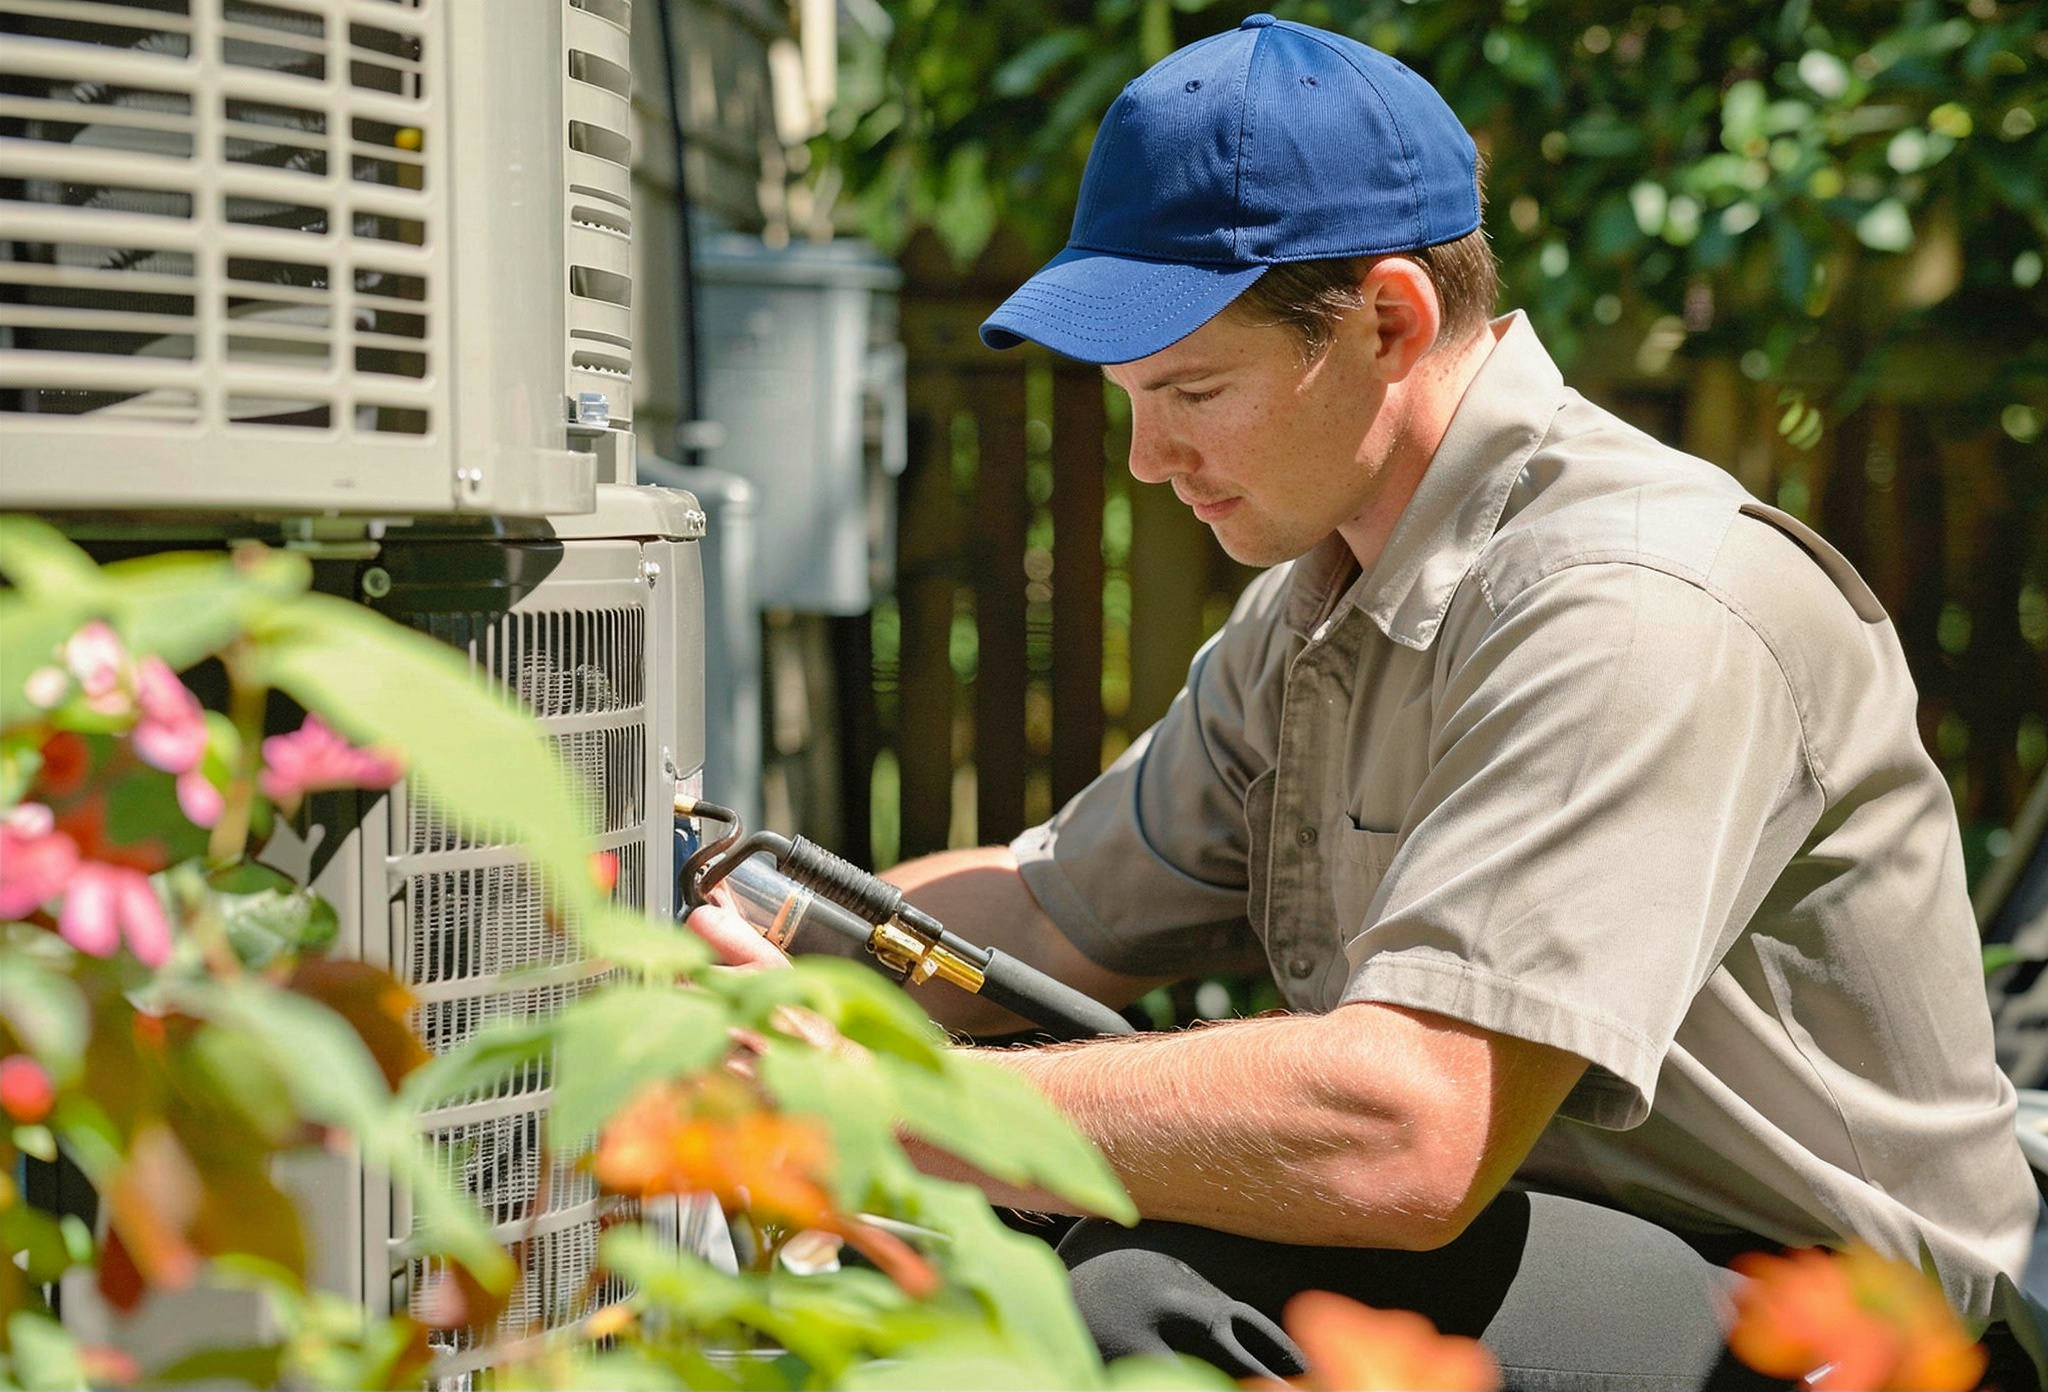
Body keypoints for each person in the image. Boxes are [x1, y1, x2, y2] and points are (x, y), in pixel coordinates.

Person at [689, 15, 2039, 1389]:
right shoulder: (1325, 602)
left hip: (1841, 1333)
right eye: (1131, 400)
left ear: (1387, 320)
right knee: (970, 1242)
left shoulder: (1636, 605)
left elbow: (1409, 1130)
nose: (1150, 458)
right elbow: (1048, 910)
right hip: (1582, 1254)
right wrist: (729, 938)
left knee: (1130, 1302)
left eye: (1192, 390)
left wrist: (876, 1099)